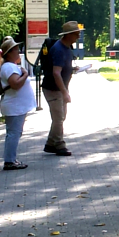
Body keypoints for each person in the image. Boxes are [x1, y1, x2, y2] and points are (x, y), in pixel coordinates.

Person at [0, 37, 36, 170]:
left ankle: (11, 159)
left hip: (16, 106)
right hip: (14, 107)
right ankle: (9, 161)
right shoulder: (8, 67)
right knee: (14, 133)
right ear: (10, 53)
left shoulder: (10, 66)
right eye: (16, 50)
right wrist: (25, 74)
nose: (19, 52)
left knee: (14, 132)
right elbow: (15, 84)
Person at [42, 21, 81, 156]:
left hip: (59, 88)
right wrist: (65, 93)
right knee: (59, 118)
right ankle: (59, 144)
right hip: (53, 89)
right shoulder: (59, 49)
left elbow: (61, 69)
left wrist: (71, 69)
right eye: (76, 34)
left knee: (61, 117)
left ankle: (50, 143)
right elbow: (56, 73)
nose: (78, 36)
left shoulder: (66, 48)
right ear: (68, 35)